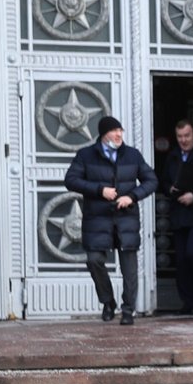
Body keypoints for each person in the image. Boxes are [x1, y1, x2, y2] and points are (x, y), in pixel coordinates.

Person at [64, 115, 157, 325]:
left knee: (129, 269)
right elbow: (71, 180)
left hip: (126, 220)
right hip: (97, 219)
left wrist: (131, 196)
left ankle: (128, 311)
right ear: (104, 134)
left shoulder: (132, 155)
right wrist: (99, 190)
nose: (119, 135)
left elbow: (151, 180)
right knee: (94, 260)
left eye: (120, 131)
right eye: (114, 131)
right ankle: (107, 302)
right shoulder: (86, 155)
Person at [158, 118, 193, 315]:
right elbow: (164, 180)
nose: (183, 140)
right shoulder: (172, 156)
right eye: (179, 136)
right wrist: (169, 188)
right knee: (181, 260)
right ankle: (187, 302)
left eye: (187, 136)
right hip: (178, 215)